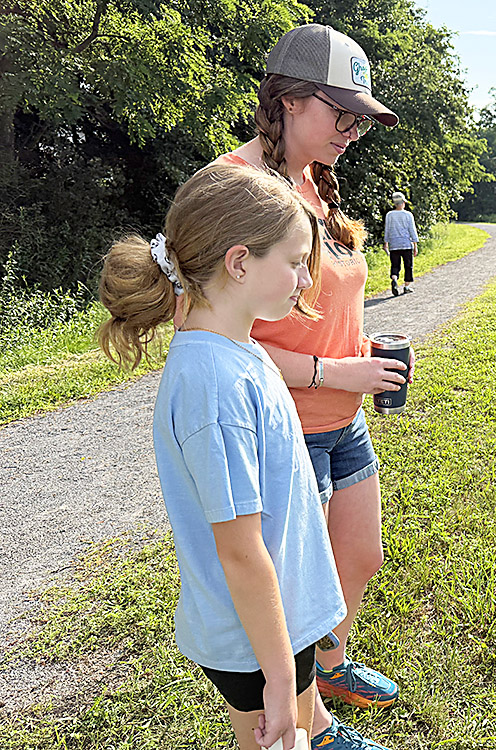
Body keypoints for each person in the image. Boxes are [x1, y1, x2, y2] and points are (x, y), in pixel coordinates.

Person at [97, 164, 386, 750]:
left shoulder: (238, 348)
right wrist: (279, 679)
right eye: (296, 260)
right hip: (257, 642)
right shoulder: (215, 387)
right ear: (238, 263)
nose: (307, 279)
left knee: (302, 734)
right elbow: (240, 550)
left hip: (282, 625)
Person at [201, 23, 410, 743]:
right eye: (340, 112)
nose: (353, 129)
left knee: (358, 558)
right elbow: (216, 335)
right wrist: (331, 369)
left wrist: (359, 353)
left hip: (343, 419)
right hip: (284, 430)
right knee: (292, 594)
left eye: (360, 118)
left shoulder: (315, 178)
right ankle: (314, 726)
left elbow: (318, 304)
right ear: (289, 101)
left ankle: (331, 664)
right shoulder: (235, 187)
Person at [382, 192, 419, 296]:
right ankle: (406, 287)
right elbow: (412, 230)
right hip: (406, 244)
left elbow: (387, 230)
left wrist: (386, 243)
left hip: (394, 245)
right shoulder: (408, 215)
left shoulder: (389, 215)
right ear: (403, 203)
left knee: (395, 265)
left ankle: (394, 279)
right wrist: (415, 245)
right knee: (408, 266)